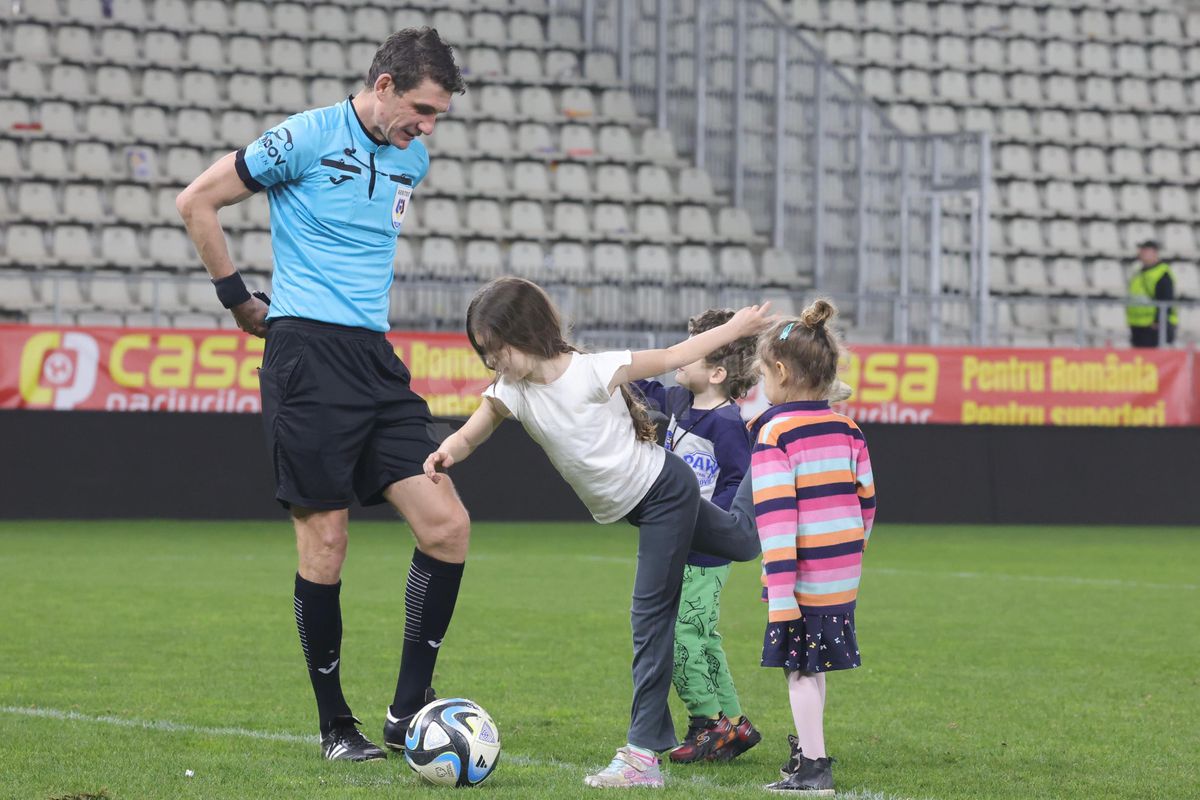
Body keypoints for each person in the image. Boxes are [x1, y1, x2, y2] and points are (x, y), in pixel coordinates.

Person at [175, 29, 471, 762]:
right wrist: (237, 299)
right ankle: (337, 726)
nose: (427, 127)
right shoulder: (302, 138)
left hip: (374, 359)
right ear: (383, 87)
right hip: (305, 355)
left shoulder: (414, 158)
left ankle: (408, 712)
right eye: (422, 109)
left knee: (447, 524)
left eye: (437, 116)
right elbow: (197, 201)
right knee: (327, 541)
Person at [422, 278, 771, 789]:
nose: (493, 364)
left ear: (527, 333)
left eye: (498, 351)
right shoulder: (510, 392)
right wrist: (448, 451)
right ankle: (767, 451)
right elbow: (475, 428)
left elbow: (676, 353)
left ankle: (641, 757)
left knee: (650, 618)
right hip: (645, 505)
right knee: (740, 541)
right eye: (485, 355)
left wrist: (735, 329)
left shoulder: (591, 370)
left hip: (664, 491)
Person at [749, 299, 876, 794]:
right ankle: (808, 747)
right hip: (842, 572)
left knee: (799, 669)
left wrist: (780, 593)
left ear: (780, 371)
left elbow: (776, 523)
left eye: (762, 372)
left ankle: (814, 767)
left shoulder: (775, 432)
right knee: (814, 662)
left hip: (801, 577)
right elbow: (868, 501)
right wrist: (850, 553)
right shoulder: (848, 428)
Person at [631, 308, 762, 764]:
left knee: (682, 638)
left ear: (718, 372)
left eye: (694, 351)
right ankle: (735, 722)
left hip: (706, 552)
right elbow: (636, 385)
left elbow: (736, 484)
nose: (681, 356)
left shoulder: (728, 425)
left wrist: (717, 527)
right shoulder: (677, 403)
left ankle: (707, 723)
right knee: (705, 638)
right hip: (678, 543)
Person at [1127, 240, 1178, 348]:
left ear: (1155, 253)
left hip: (1153, 326)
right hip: (1137, 324)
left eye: (1145, 250)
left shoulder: (1161, 273)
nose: (1141, 253)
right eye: (1141, 250)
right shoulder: (1138, 271)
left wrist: (1158, 320)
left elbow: (1166, 300)